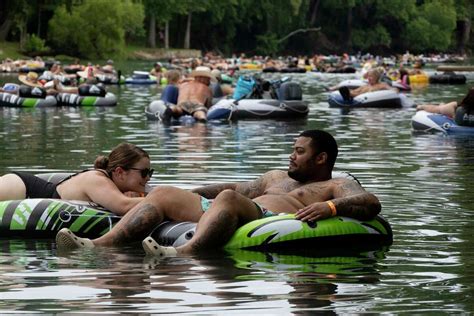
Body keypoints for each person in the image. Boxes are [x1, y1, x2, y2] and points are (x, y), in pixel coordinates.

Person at [55, 130, 381, 254]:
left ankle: (184, 253)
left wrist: (331, 209)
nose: (291, 155)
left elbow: (369, 202)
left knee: (228, 200)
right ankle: (94, 246)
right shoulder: (275, 175)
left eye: (299, 151)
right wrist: (189, 193)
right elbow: (233, 187)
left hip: (269, 217)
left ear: (321, 158)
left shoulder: (334, 185)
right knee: (169, 193)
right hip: (235, 207)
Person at [0, 143, 152, 216]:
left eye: (150, 172)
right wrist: (160, 198)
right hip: (21, 189)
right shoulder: (97, 180)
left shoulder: (109, 184)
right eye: (144, 172)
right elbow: (122, 206)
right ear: (120, 172)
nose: (148, 178)